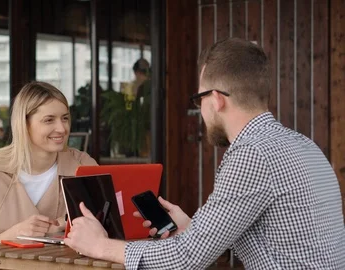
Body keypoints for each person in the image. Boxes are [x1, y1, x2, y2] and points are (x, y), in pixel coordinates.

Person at [64, 38, 345, 269]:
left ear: (216, 99)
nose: (200, 110)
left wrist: (100, 246)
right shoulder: (303, 145)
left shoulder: (252, 154)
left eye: (199, 99)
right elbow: (277, 240)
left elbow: (186, 259)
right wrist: (193, 229)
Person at [0, 81, 97, 269]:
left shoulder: (83, 166)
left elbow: (106, 226)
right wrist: (13, 234)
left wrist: (59, 226)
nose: (62, 128)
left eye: (65, 118)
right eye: (49, 120)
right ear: (24, 124)